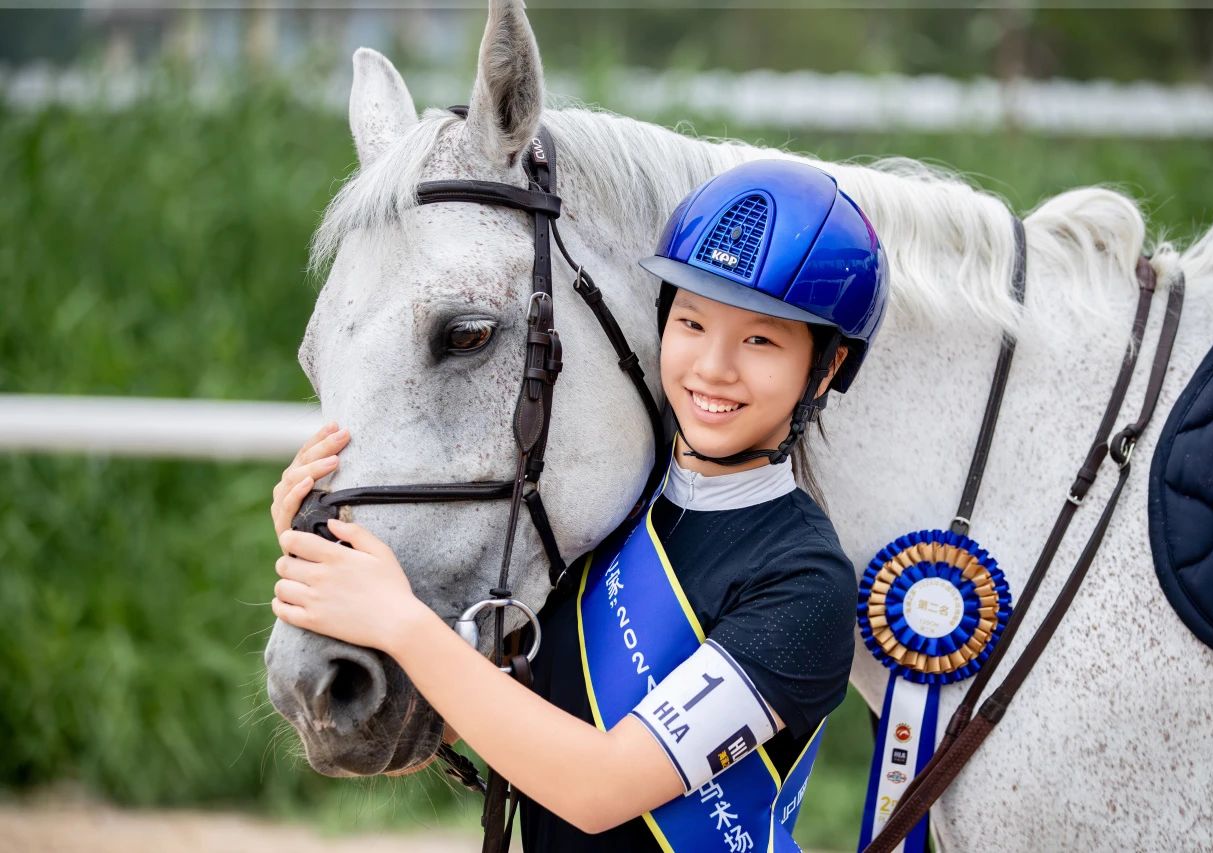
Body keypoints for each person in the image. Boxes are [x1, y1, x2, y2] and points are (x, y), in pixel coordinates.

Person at [268, 159, 889, 852]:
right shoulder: (601, 526)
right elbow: (450, 711)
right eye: (692, 323)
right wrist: (325, 560)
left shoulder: (804, 582)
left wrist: (399, 619)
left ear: (826, 368)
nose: (713, 366)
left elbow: (599, 787)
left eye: (760, 340)